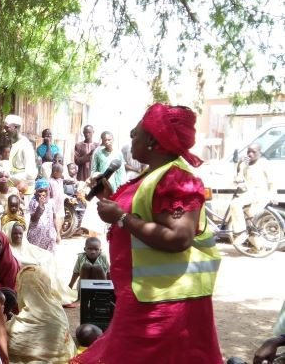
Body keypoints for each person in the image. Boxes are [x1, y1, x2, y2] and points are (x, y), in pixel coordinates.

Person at [71, 103, 223, 364]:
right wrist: (112, 201)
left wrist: (121, 217)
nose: (131, 134)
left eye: (137, 131)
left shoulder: (175, 178)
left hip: (166, 304)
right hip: (146, 296)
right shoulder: (153, 174)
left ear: (154, 140)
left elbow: (179, 237)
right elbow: (145, 212)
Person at [7, 265, 76, 363]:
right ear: (46, 284)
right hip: (62, 358)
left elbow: (9, 341)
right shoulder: (57, 308)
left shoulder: (21, 324)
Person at [229, 143, 276, 237]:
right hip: (250, 195)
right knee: (249, 221)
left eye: (253, 152)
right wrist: (239, 164)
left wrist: (273, 196)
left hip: (260, 195)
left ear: (259, 153)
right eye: (248, 152)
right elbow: (237, 179)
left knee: (234, 203)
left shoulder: (264, 164)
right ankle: (257, 247)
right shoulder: (245, 165)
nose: (250, 154)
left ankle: (240, 231)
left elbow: (272, 182)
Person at [4, 115, 38, 194]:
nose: (4, 131)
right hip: (13, 189)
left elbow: (31, 174)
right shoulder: (14, 144)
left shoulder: (25, 145)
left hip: (24, 192)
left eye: (7, 128)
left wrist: (9, 177)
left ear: (15, 127)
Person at [27, 178, 58, 252]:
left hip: (49, 235)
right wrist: (40, 205)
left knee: (49, 256)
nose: (43, 193)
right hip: (36, 235)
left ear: (49, 190)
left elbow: (54, 218)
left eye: (45, 191)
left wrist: (58, 233)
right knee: (36, 254)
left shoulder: (51, 202)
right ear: (36, 192)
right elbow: (34, 219)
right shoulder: (33, 203)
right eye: (40, 191)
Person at [49, 163, 66, 237]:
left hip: (60, 204)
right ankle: (57, 235)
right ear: (55, 172)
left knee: (61, 218)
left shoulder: (60, 180)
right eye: (60, 173)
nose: (61, 174)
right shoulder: (50, 181)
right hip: (54, 204)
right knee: (55, 219)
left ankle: (58, 233)